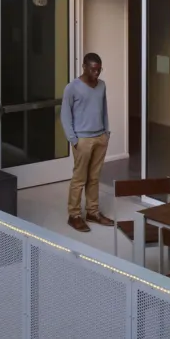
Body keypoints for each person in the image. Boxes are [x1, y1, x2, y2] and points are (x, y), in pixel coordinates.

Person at [60, 52, 112, 232]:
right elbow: (65, 114)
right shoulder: (72, 88)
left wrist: (107, 132)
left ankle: (93, 212)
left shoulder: (102, 86)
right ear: (84, 67)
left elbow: (104, 110)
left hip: (100, 137)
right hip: (82, 139)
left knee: (94, 178)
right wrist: (73, 139)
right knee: (79, 178)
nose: (97, 73)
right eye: (93, 69)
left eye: (99, 70)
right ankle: (74, 215)